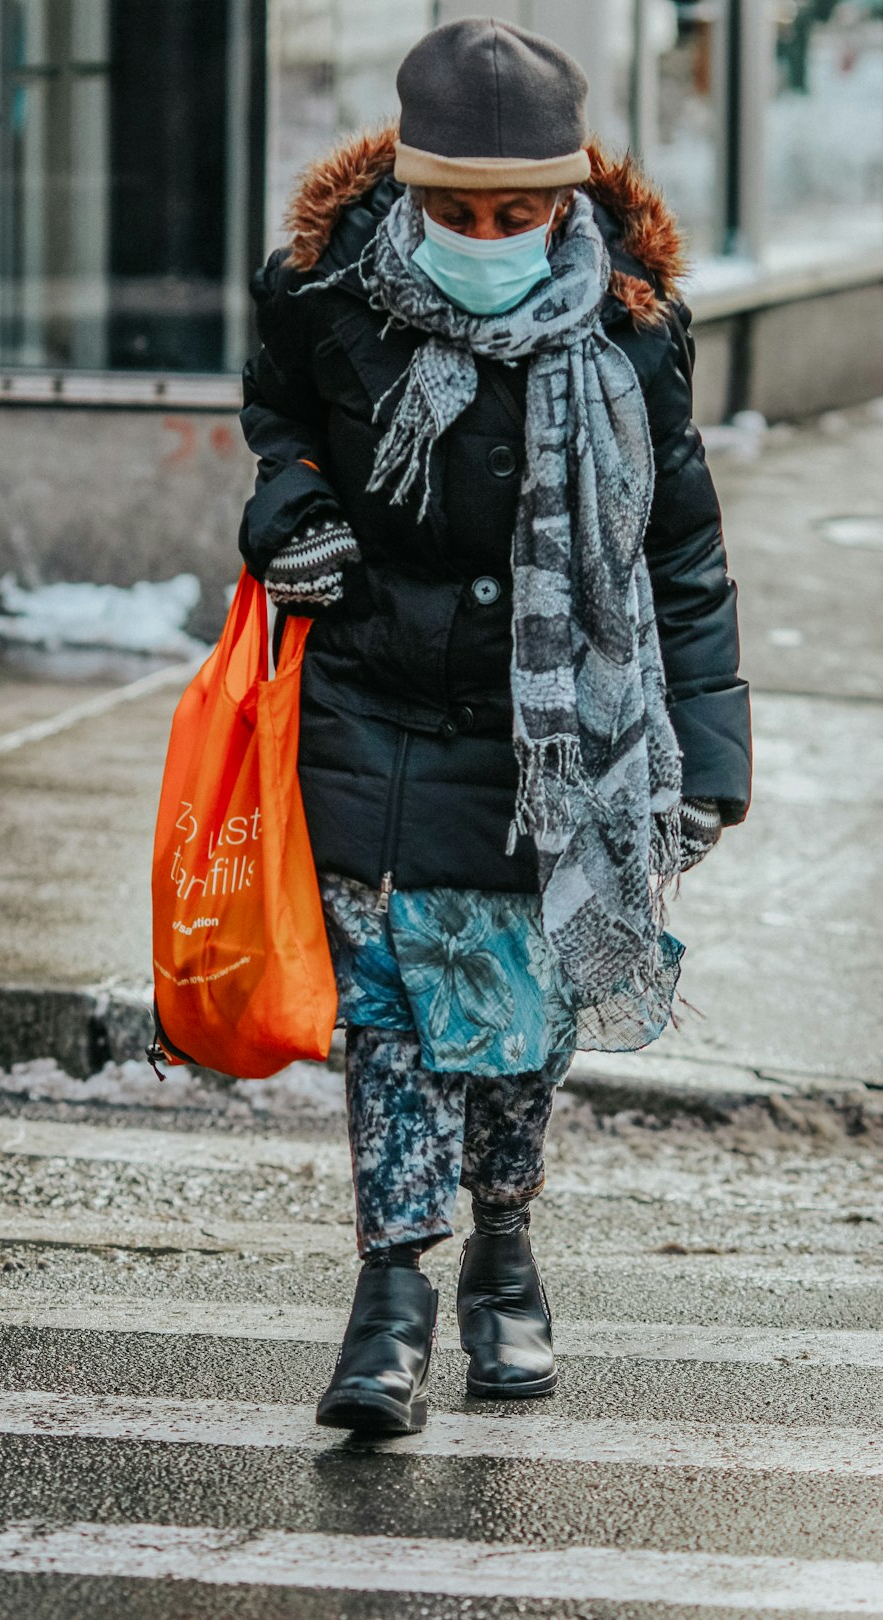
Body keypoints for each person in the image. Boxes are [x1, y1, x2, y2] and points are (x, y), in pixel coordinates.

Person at [239, 17, 751, 1436]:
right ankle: (391, 1300)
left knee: (515, 1029)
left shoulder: (634, 329)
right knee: (392, 1022)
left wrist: (705, 763)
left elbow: (682, 557)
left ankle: (505, 1252)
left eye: (518, 211)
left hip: (556, 755)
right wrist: (288, 515)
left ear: (568, 195)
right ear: (407, 185)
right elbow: (278, 427)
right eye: (456, 208)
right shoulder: (323, 293)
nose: (486, 232)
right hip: (375, 708)